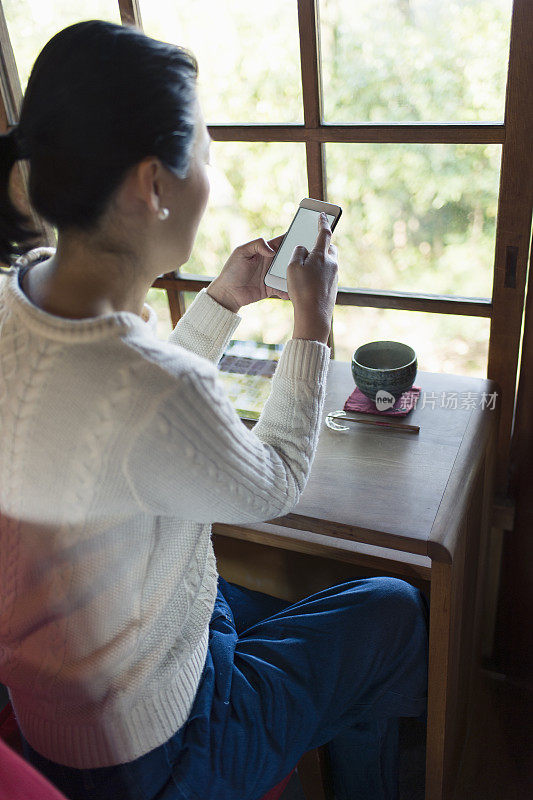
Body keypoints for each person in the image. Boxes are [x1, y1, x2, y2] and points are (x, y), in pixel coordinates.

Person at [0, 19, 428, 800]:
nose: (212, 176)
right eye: (201, 148)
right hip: (153, 753)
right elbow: (275, 483)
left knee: (301, 607)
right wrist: (313, 323)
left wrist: (221, 302)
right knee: (391, 610)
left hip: (54, 707)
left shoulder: (15, 304)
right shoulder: (153, 384)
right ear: (151, 186)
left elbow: (123, 410)